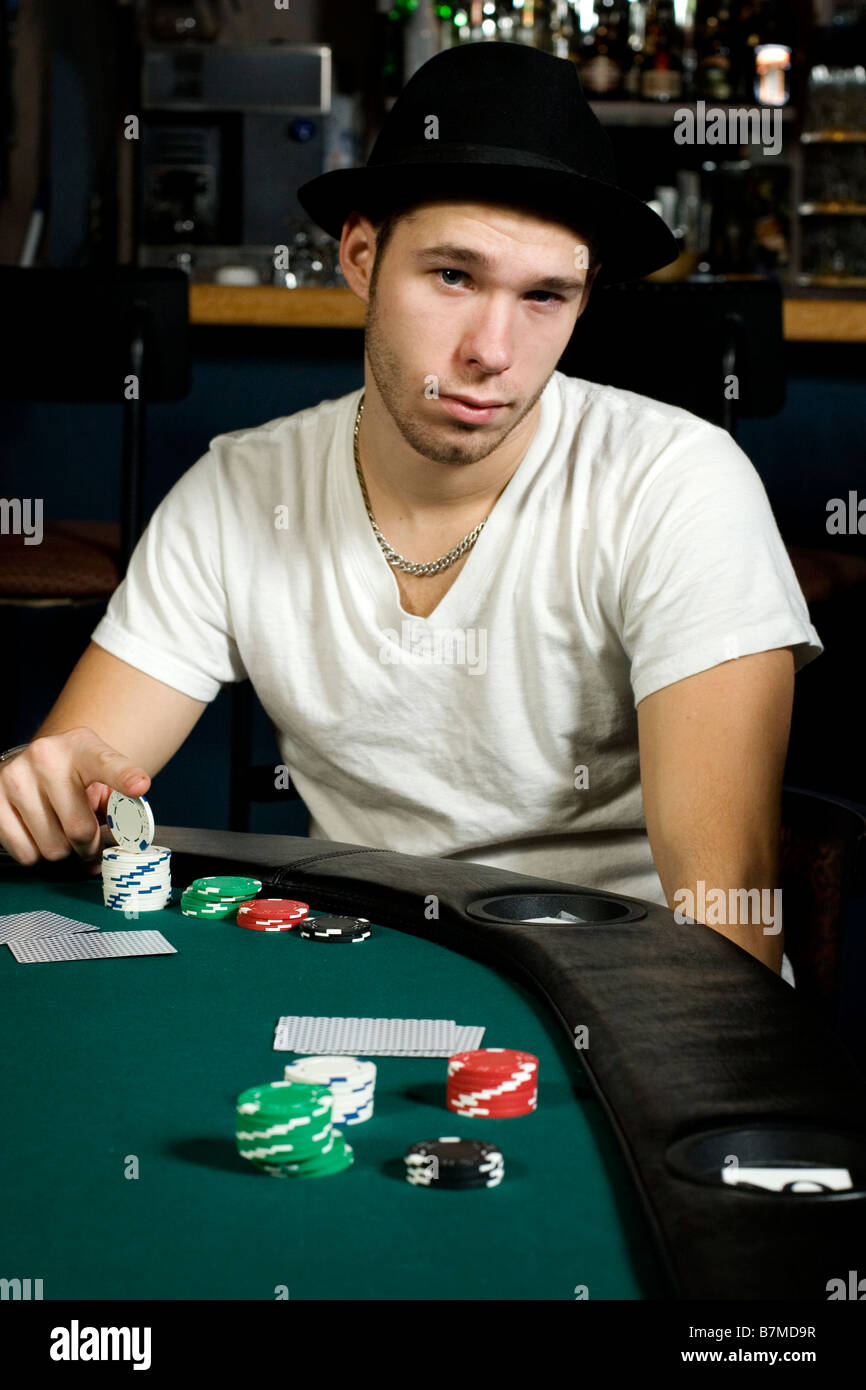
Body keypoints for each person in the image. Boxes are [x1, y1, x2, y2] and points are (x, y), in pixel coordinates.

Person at [0, 43, 820, 973]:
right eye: (453, 276)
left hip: (627, 991)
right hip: (359, 970)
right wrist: (41, 790)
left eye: (544, 295)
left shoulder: (680, 484)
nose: (491, 352)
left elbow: (727, 932)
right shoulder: (241, 490)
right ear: (360, 257)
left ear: (584, 299)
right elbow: (70, 790)